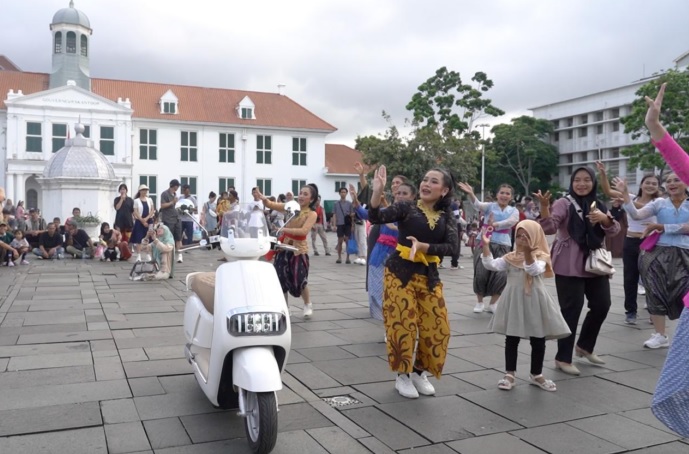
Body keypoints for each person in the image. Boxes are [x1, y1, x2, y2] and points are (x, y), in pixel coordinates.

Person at [368, 165, 458, 399]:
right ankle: (403, 376)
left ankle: (419, 372)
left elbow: (452, 247)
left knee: (438, 327)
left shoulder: (446, 216)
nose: (426, 184)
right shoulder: (406, 207)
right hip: (400, 272)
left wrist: (423, 247)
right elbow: (376, 216)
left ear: (445, 190)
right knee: (403, 325)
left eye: (434, 181)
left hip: (428, 274)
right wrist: (377, 192)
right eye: (425, 179)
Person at [535, 167, 620, 375]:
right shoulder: (564, 203)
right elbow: (549, 227)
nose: (582, 184)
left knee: (602, 304)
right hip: (568, 262)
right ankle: (562, 358)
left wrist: (604, 219)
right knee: (571, 310)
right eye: (577, 180)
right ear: (571, 183)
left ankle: (585, 346)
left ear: (593, 183)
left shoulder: (597, 204)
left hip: (594, 263)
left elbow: (614, 229)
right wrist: (545, 208)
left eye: (587, 180)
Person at [482, 220, 570, 391]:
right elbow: (491, 265)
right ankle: (509, 374)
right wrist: (485, 246)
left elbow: (533, 270)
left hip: (535, 298)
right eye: (519, 236)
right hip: (514, 298)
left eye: (526, 236)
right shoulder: (511, 256)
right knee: (512, 337)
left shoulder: (542, 256)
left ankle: (536, 374)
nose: (522, 240)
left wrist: (529, 253)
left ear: (536, 237)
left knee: (538, 337)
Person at [614, 175, 688, 348]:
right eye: (668, 181)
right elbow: (636, 215)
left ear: (686, 182)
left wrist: (663, 227)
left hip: (685, 253)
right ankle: (660, 335)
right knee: (654, 291)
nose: (671, 184)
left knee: (684, 293)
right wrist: (625, 195)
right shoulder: (660, 203)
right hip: (657, 252)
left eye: (676, 180)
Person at [597, 161, 660, 325]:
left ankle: (654, 310)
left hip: (651, 242)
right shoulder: (630, 197)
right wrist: (603, 174)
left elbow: (642, 208)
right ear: (641, 184)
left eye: (654, 183)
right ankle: (630, 311)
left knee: (651, 277)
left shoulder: (659, 203)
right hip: (631, 241)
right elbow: (607, 190)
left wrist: (626, 197)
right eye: (648, 182)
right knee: (630, 277)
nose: (651, 185)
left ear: (658, 187)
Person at [457, 182, 519, 314]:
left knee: (501, 275)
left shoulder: (514, 211)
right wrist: (471, 193)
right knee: (481, 272)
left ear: (511, 197)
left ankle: (493, 303)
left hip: (503, 244)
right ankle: (479, 302)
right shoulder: (489, 206)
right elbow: (477, 204)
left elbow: (511, 222)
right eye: (501, 192)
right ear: (497, 195)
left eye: (507, 193)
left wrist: (495, 224)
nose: (504, 195)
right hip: (484, 242)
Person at [258, 184, 319, 318]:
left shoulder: (312, 213)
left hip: (298, 249)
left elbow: (303, 231)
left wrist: (284, 230)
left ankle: (307, 303)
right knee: (281, 278)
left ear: (312, 198)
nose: (301, 196)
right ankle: (285, 307)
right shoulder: (291, 207)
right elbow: (273, 205)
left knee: (300, 279)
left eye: (305, 194)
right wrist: (264, 199)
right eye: (301, 193)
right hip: (284, 247)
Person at [360, 181, 416, 321]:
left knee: (398, 292)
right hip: (380, 253)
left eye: (404, 193)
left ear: (413, 196)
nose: (400, 196)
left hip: (401, 256)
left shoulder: (416, 215)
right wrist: (356, 202)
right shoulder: (389, 211)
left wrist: (396, 229)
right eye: (398, 193)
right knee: (376, 290)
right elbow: (369, 215)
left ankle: (397, 321)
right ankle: (386, 323)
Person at [130, 184, 156, 261]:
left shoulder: (149, 199)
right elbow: (135, 212)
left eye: (146, 190)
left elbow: (152, 210)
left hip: (149, 220)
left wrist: (147, 218)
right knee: (139, 238)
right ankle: (138, 255)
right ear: (140, 191)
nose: (145, 192)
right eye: (143, 190)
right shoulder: (136, 201)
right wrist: (142, 220)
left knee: (149, 238)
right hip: (139, 221)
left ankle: (148, 254)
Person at [160, 179, 183, 263]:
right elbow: (162, 205)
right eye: (177, 186)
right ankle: (170, 254)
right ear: (174, 186)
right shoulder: (165, 194)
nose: (177, 188)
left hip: (177, 218)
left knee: (178, 237)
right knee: (169, 237)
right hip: (168, 219)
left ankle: (179, 255)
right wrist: (172, 202)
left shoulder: (175, 194)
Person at [332, 186, 353, 264]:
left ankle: (348, 258)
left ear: (346, 193)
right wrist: (334, 225)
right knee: (340, 241)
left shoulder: (349, 204)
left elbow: (352, 215)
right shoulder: (336, 204)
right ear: (339, 193)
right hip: (340, 224)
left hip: (347, 224)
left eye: (344, 192)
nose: (343, 193)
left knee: (347, 241)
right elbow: (334, 214)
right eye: (342, 192)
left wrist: (353, 225)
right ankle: (339, 257)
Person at [449, 197, 468, 270]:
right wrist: (464, 223)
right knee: (456, 245)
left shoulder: (442, 203)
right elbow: (456, 217)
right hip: (455, 226)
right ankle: (454, 264)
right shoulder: (454, 205)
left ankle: (439, 263)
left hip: (445, 225)